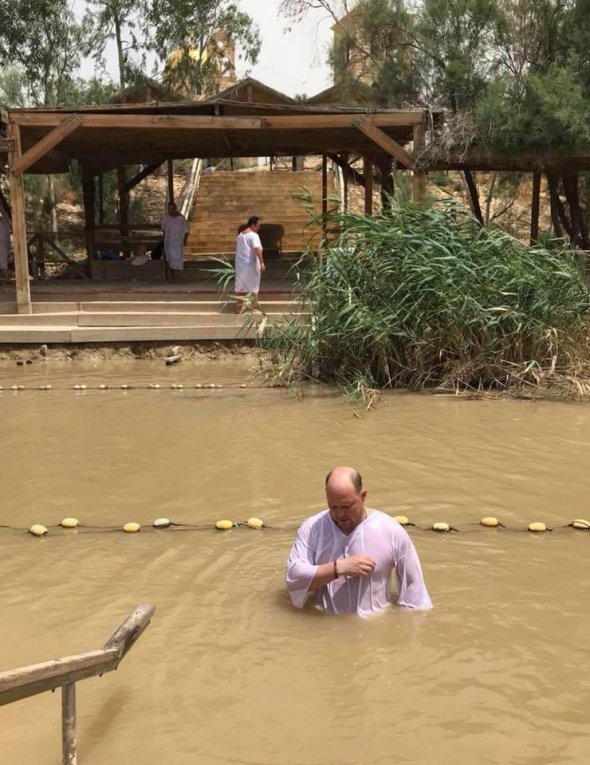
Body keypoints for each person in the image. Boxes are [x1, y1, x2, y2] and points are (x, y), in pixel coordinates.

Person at [286, 467, 432, 616]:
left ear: (362, 496)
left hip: (373, 630)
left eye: (346, 506)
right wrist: (338, 568)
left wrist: (402, 631)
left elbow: (415, 592)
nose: (340, 514)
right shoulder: (313, 528)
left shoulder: (391, 530)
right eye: (333, 507)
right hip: (323, 625)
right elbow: (294, 578)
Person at [234, 215, 264, 312]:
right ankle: (253, 308)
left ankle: (239, 308)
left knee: (240, 286)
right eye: (258, 226)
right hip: (251, 264)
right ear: (253, 225)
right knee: (254, 286)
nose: (259, 228)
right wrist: (262, 262)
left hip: (240, 264)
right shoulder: (253, 236)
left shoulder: (240, 235)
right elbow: (257, 249)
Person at [161, 202, 189, 281]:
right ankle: (171, 275)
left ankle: (177, 275)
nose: (171, 210)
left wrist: (185, 240)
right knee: (169, 258)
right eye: (169, 209)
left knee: (177, 258)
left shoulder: (181, 218)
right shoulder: (166, 218)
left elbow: (186, 230)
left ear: (175, 208)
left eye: (172, 208)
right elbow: (163, 230)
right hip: (169, 242)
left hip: (178, 242)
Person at [0, 201, 11, 283]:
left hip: (3, 243)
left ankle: (8, 279)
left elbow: (4, 213)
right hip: (4, 242)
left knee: (3, 261)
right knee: (3, 260)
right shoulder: (6, 222)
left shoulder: (5, 222)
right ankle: (7, 279)